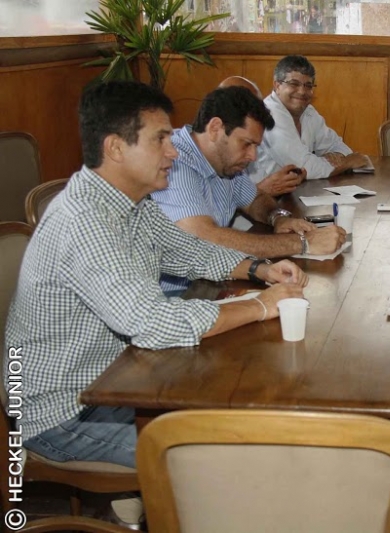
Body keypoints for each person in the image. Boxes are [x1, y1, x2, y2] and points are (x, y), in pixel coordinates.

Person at [4, 80, 308, 472]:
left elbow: (189, 251)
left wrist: (259, 269)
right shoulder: (84, 221)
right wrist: (260, 306)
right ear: (116, 148)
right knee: (228, 460)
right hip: (66, 412)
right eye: (161, 139)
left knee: (247, 409)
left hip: (121, 377)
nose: (173, 151)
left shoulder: (132, 203)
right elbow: (153, 324)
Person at [151, 86, 345, 293]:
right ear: (215, 128)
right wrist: (303, 243)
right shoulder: (175, 162)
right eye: (246, 144)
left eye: (256, 146)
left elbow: (255, 198)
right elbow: (204, 238)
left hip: (213, 280)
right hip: (173, 293)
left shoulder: (225, 163)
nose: (252, 156)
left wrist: (278, 217)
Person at [248, 55, 370, 183]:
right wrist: (346, 163)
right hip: (264, 193)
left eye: (308, 86)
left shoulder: (308, 112)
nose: (302, 91)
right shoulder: (269, 114)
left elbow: (340, 147)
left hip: (299, 189)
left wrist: (334, 157)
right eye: (294, 84)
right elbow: (303, 167)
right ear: (277, 85)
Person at [219, 76, 307, 197]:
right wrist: (263, 190)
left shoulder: (253, 141)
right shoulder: (206, 156)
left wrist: (288, 180)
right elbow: (222, 204)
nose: (253, 156)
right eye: (250, 107)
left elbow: (263, 179)